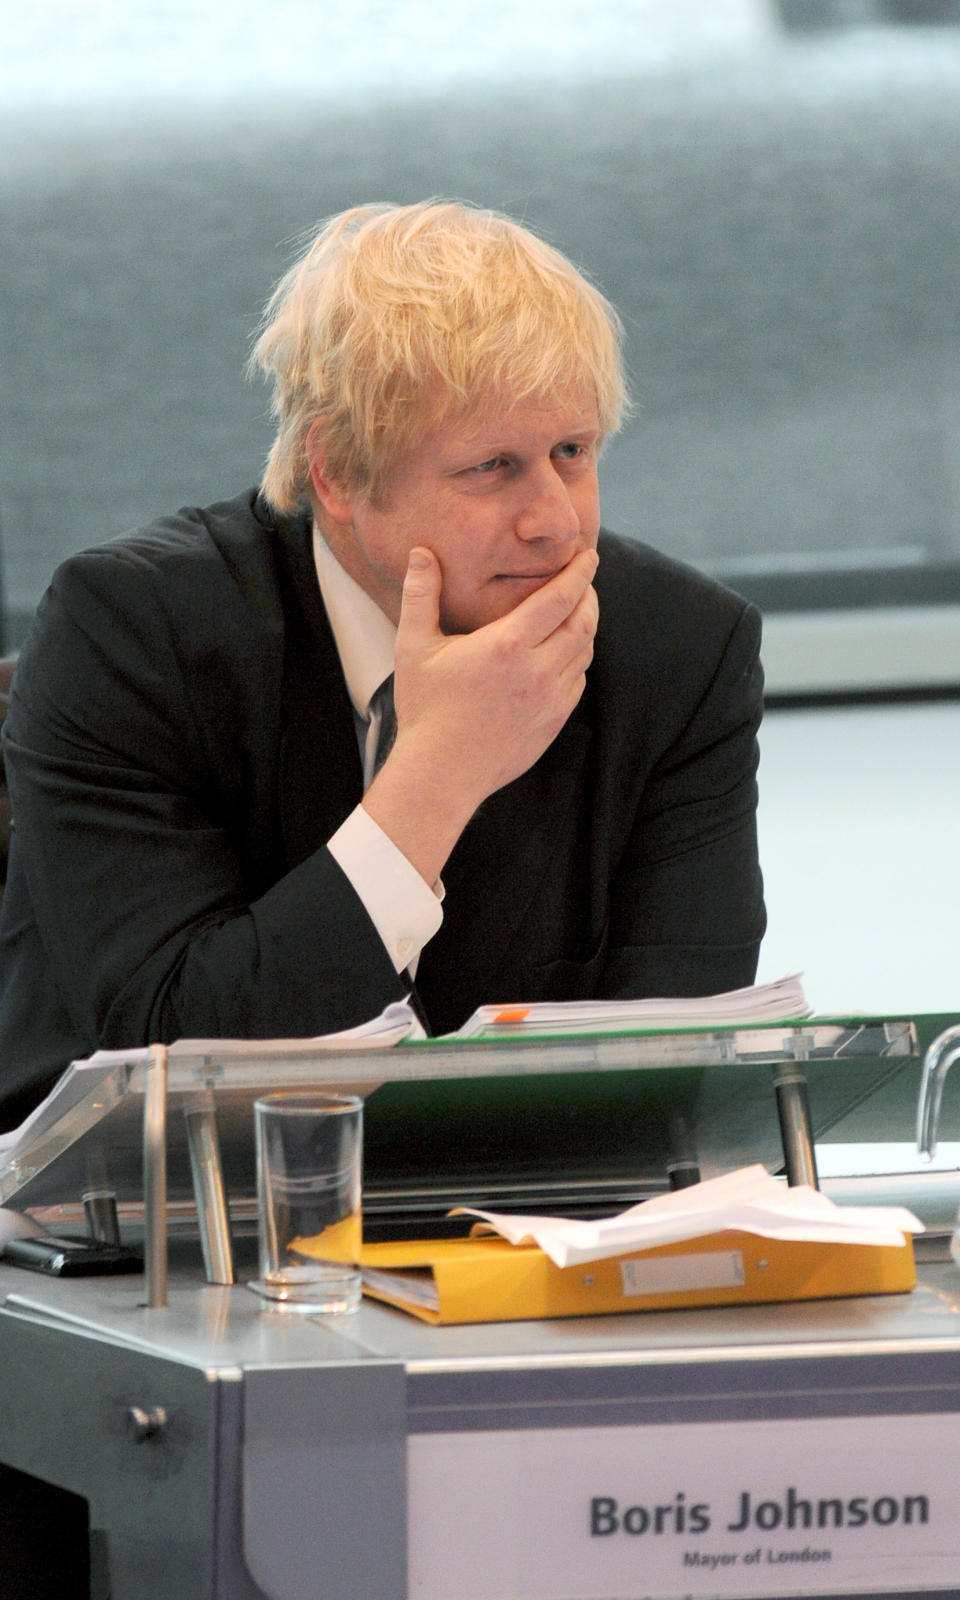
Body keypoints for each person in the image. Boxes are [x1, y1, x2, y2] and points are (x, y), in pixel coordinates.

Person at [0, 200, 765, 1128]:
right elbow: (173, 1049)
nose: (555, 519)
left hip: (521, 1226)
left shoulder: (679, 651)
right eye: (491, 467)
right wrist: (439, 774)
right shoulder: (132, 637)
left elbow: (674, 1076)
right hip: (136, 1238)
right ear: (336, 474)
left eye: (572, 451)